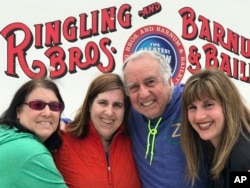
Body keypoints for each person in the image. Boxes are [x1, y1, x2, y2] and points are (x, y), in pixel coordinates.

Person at [122, 50, 208, 187]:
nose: (143, 94)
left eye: (150, 82)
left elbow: (237, 135)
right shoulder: (126, 112)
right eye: (134, 87)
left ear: (169, 81)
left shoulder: (193, 102)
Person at [53, 73, 142, 188]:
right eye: (102, 103)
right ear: (90, 105)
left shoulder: (136, 141)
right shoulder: (61, 139)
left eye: (117, 105)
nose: (109, 112)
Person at [181, 68, 250, 188]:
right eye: (192, 107)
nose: (199, 116)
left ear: (229, 106)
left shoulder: (242, 158)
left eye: (208, 105)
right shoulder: (212, 147)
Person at [0, 78, 67, 188]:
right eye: (37, 105)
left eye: (54, 106)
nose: (47, 113)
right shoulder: (31, 152)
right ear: (18, 111)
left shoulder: (5, 135)